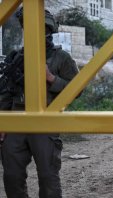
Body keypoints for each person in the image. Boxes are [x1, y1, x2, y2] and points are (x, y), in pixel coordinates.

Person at [0, 8, 80, 198]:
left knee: (48, 177)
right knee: (12, 177)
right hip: (16, 120)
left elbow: (76, 89)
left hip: (45, 123)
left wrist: (51, 78)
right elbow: (5, 91)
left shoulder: (62, 58)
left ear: (49, 30)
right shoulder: (16, 57)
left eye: (42, 28)